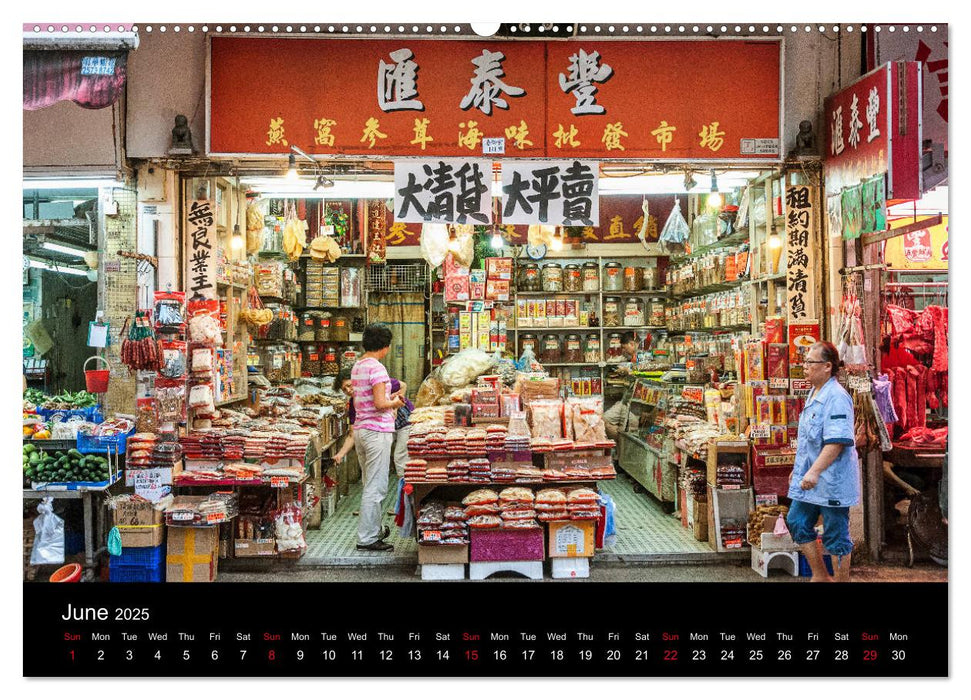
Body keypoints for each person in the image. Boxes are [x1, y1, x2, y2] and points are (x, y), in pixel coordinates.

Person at [785, 341, 860, 582]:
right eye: (804, 362)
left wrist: (814, 472)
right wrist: (799, 471)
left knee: (836, 536)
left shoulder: (837, 397)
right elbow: (810, 441)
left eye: (810, 362)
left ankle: (840, 580)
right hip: (809, 479)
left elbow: (836, 442)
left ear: (827, 366)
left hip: (831, 481)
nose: (804, 367)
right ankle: (820, 575)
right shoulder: (814, 392)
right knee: (796, 521)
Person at [348, 324, 404, 552]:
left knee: (368, 483)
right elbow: (381, 404)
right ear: (386, 347)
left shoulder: (358, 366)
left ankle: (375, 529)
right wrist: (396, 402)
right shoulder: (378, 368)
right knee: (376, 486)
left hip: (361, 429)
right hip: (377, 432)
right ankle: (368, 538)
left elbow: (366, 399)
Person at [334, 368, 413, 513]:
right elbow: (353, 433)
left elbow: (402, 385)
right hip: (384, 429)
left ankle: (403, 507)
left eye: (350, 385)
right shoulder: (354, 404)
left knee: (400, 460)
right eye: (345, 389)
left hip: (404, 423)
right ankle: (370, 508)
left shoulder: (377, 386)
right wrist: (340, 454)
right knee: (372, 469)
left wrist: (395, 402)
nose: (349, 390)